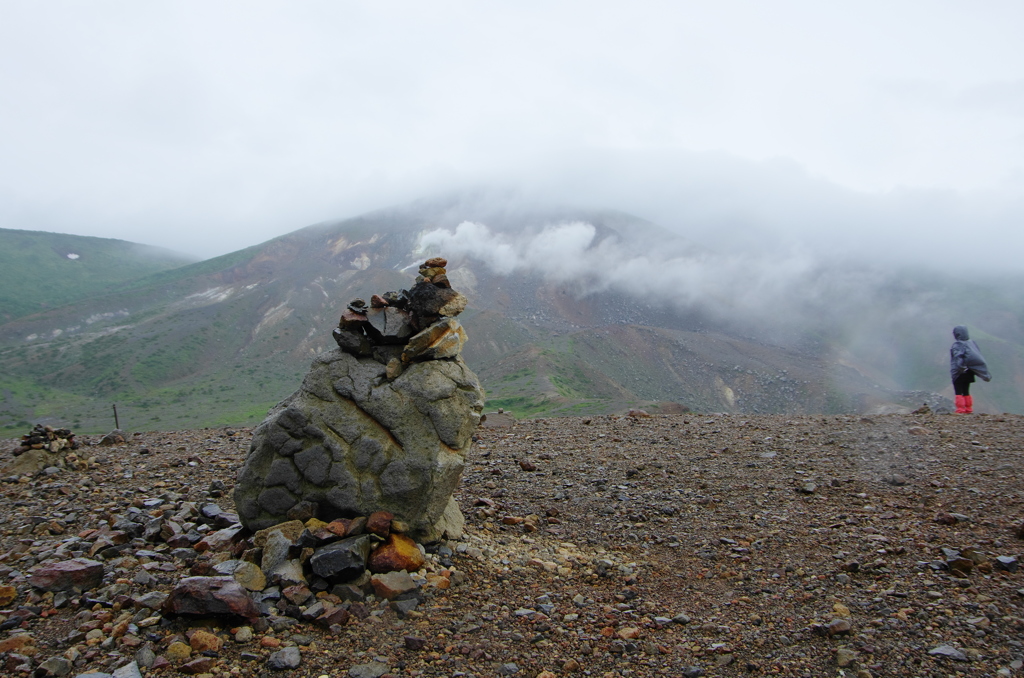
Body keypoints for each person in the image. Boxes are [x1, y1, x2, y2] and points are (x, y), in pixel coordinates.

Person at [949, 325, 991, 414]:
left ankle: (960, 409)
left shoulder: (957, 345)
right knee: (966, 389)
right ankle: (968, 408)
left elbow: (958, 358)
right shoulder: (972, 343)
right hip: (970, 371)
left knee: (958, 390)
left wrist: (960, 368)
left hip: (960, 371)